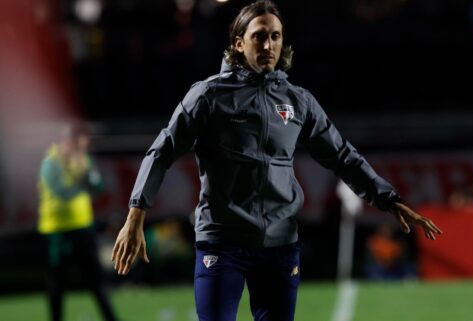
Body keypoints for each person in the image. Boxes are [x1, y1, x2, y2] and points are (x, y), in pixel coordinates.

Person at [112, 1, 443, 321]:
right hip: (222, 241)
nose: (268, 44)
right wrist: (135, 215)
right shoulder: (208, 96)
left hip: (280, 245)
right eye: (259, 36)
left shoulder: (297, 100)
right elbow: (162, 151)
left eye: (275, 36)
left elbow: (342, 155)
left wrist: (388, 199)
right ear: (239, 44)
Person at [38, 122, 119, 321]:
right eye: (81, 142)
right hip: (57, 231)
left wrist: (87, 176)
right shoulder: (51, 161)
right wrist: (82, 178)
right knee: (57, 282)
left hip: (83, 227)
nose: (84, 147)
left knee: (96, 279)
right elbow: (62, 192)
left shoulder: (83, 160)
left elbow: (98, 188)